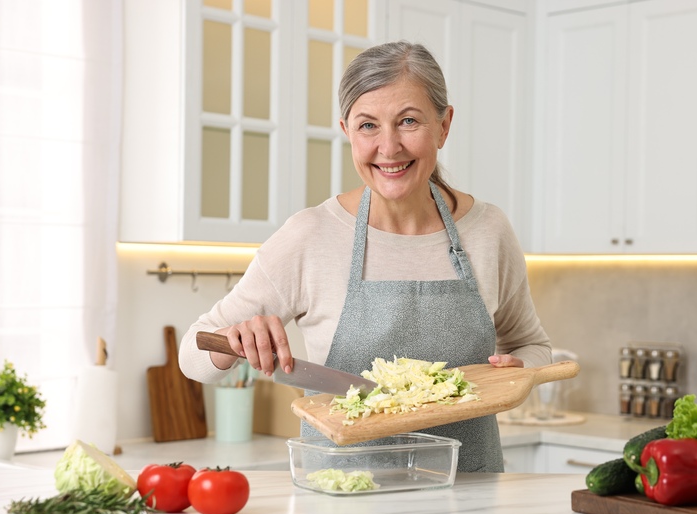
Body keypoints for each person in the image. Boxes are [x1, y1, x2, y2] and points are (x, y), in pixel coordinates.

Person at [178, 41, 551, 472]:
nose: (388, 147)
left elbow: (533, 345)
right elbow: (193, 354)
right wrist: (235, 341)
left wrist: (521, 370)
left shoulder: (489, 231)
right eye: (368, 126)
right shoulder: (311, 236)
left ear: (444, 125)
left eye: (408, 121)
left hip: (469, 501)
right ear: (346, 131)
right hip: (344, 505)